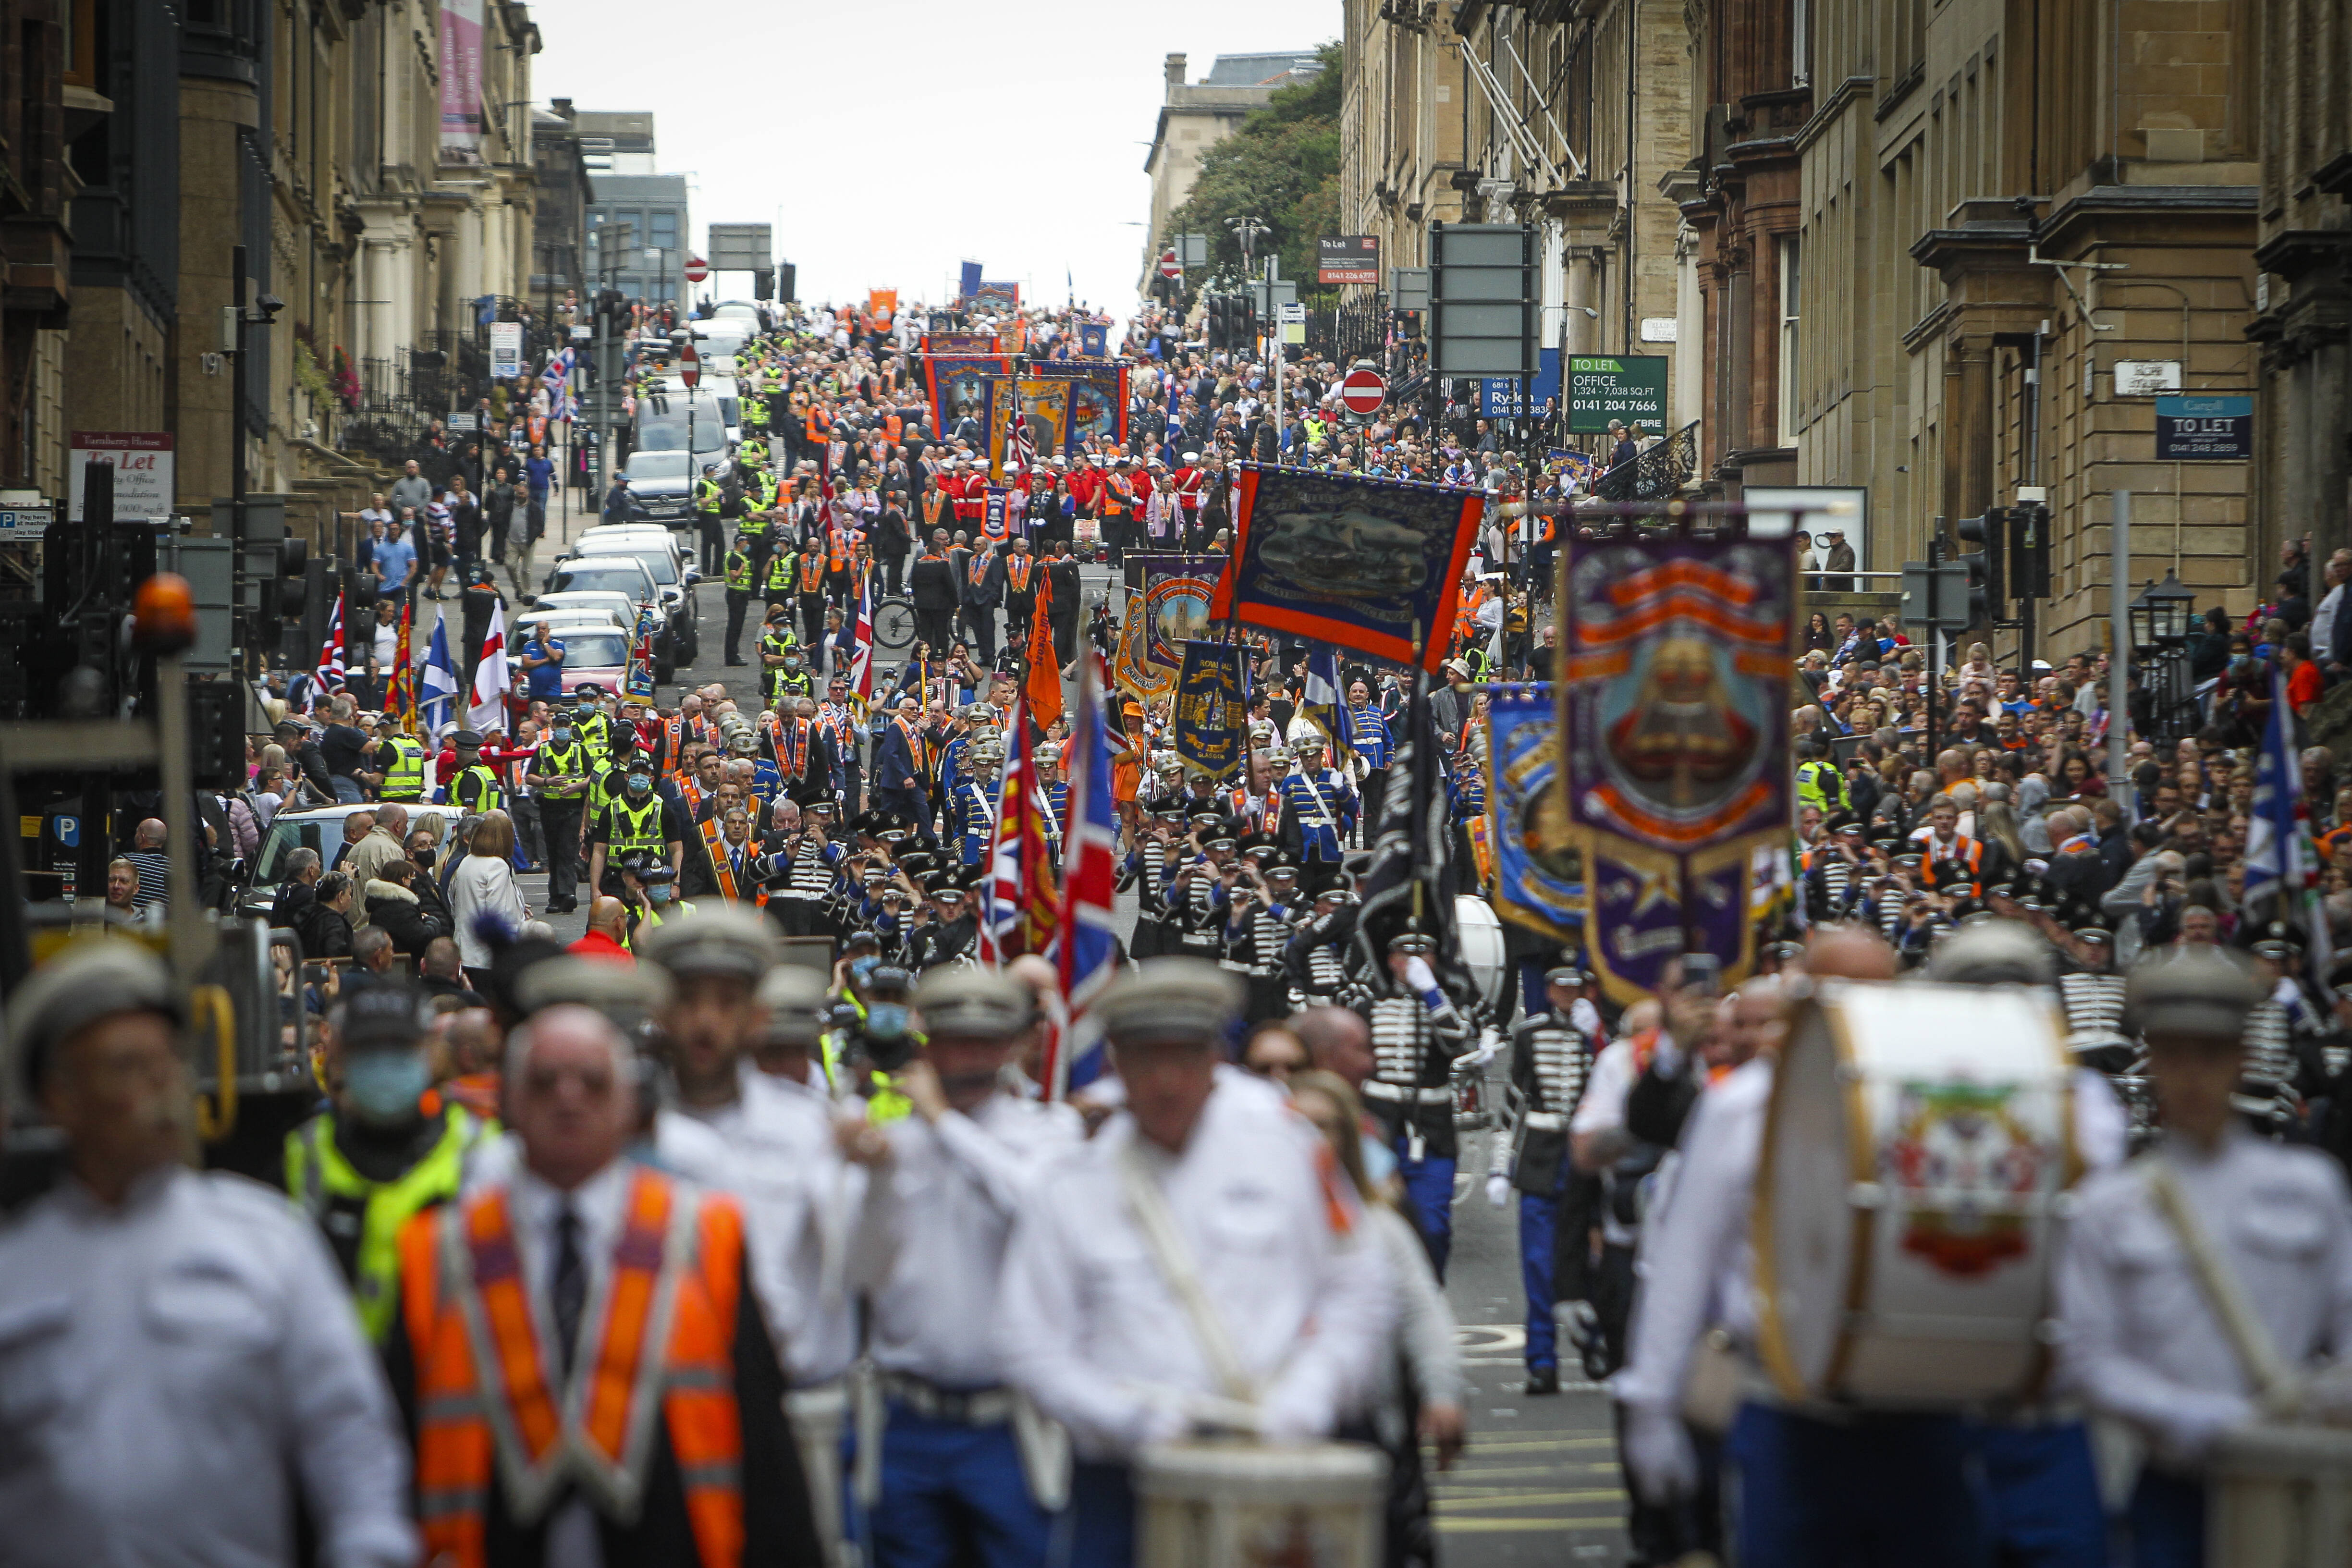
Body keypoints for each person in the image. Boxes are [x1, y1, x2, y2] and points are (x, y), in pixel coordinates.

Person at [0, 939, 417, 1566]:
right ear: (60, 1096)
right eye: (126, 1067)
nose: (163, 1089)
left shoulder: (265, 1238)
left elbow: (348, 1435)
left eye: (168, 1063)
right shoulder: (15, 1269)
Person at [382, 1003, 824, 1566]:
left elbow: (765, 1451)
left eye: (593, 1082)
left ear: (626, 1107)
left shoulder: (706, 1236)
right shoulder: (438, 1250)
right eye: (544, 1082)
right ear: (510, 1103)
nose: (569, 1097)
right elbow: (391, 1450)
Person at [995, 960, 1396, 1566]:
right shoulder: (1072, 1182)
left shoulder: (1287, 1151)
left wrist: (1309, 1397)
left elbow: (1358, 1283)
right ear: (1116, 1064)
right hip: (1122, 1481)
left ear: (1215, 1062)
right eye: (1146, 1059)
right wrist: (1126, 1421)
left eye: (1184, 1058)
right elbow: (1030, 1338)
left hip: (1271, 1457)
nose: (1166, 1082)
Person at [2059, 945, 2352, 1568]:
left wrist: (2329, 1398)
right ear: (2152, 1063)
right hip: (2171, 1485)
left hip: (2292, 1475)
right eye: (2174, 1055)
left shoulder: (2308, 1186)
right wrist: (2189, 1416)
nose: (2193, 1075)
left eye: (2211, 1055)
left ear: (2241, 1061)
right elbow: (2089, 1355)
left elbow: (2347, 1314)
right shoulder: (2112, 1205)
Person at [834, 967, 1082, 1565]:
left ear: (1011, 1047)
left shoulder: (1048, 1134)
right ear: (929, 1045)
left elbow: (1038, 1211)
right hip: (905, 1418)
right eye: (952, 1041)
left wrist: (944, 1124)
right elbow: (862, 1272)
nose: (966, 1056)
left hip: (1008, 1423)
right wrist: (868, 1179)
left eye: (982, 1042)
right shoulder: (897, 1144)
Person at [284, 980, 494, 1342]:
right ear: (340, 1057)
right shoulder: (302, 1153)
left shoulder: (481, 1150)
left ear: (431, 1053)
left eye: (399, 1048)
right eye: (369, 1049)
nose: (384, 1062)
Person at [448, 809, 527, 990]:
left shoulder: (467, 862)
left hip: (464, 948)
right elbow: (500, 913)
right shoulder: (497, 865)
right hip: (486, 956)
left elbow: (453, 899)